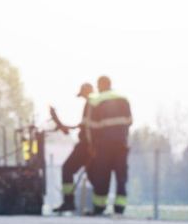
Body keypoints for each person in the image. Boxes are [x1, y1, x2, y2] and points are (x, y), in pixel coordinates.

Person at [86, 75, 133, 216]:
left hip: (104, 145)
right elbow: (130, 121)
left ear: (99, 85)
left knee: (102, 176)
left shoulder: (95, 101)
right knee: (121, 176)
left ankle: (99, 207)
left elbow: (91, 127)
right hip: (121, 144)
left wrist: (92, 145)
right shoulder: (123, 98)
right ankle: (119, 208)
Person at [51, 83, 95, 213]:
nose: (82, 98)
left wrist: (91, 144)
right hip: (90, 144)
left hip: (87, 145)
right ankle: (97, 206)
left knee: (67, 169)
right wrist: (69, 127)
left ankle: (69, 201)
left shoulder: (91, 103)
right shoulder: (92, 104)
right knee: (93, 174)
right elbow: (84, 125)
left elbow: (88, 127)